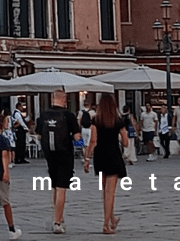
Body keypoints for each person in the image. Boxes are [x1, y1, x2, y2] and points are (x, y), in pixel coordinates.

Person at [35, 89, 81, 235]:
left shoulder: (44, 114)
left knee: (55, 186)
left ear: (52, 99)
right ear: (64, 99)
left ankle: (59, 216)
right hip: (64, 154)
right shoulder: (68, 115)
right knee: (62, 188)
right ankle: (57, 222)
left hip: (50, 155)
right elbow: (77, 137)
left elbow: (39, 135)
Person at [83, 94, 128, 235]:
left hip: (100, 156)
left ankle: (112, 219)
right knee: (110, 193)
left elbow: (93, 141)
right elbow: (126, 141)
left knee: (105, 192)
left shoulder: (96, 120)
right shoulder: (118, 120)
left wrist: (87, 158)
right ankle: (106, 224)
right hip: (113, 155)